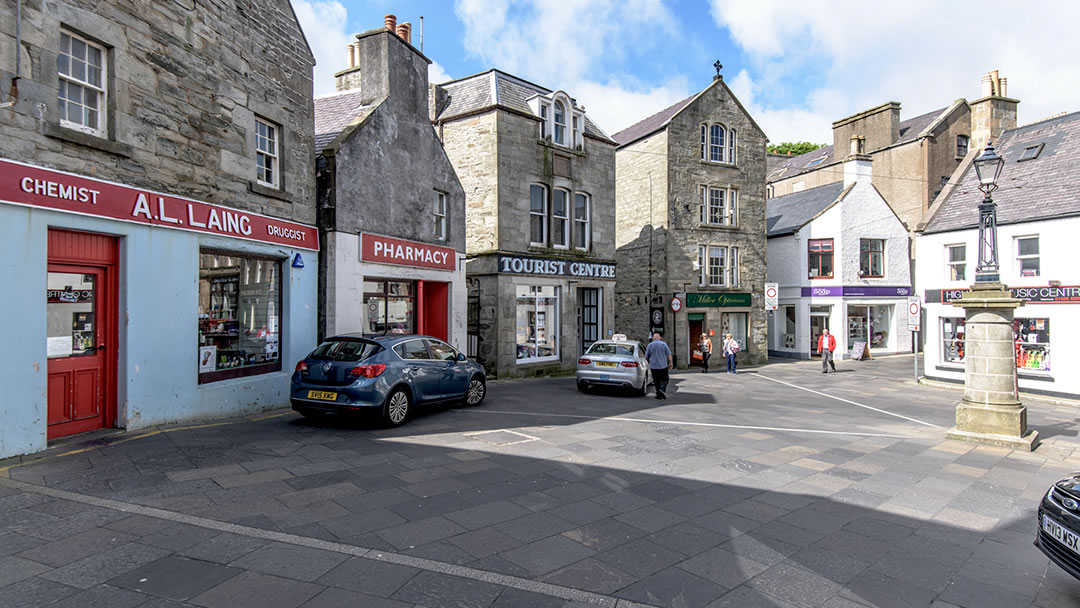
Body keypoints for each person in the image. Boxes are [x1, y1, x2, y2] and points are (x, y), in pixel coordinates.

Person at [645, 331, 673, 399]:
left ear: (653, 338)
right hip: (663, 366)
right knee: (665, 379)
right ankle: (662, 389)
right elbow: (669, 354)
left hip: (654, 366)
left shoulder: (650, 345)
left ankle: (658, 394)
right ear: (659, 337)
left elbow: (646, 357)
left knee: (656, 381)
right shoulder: (664, 344)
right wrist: (670, 362)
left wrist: (648, 362)